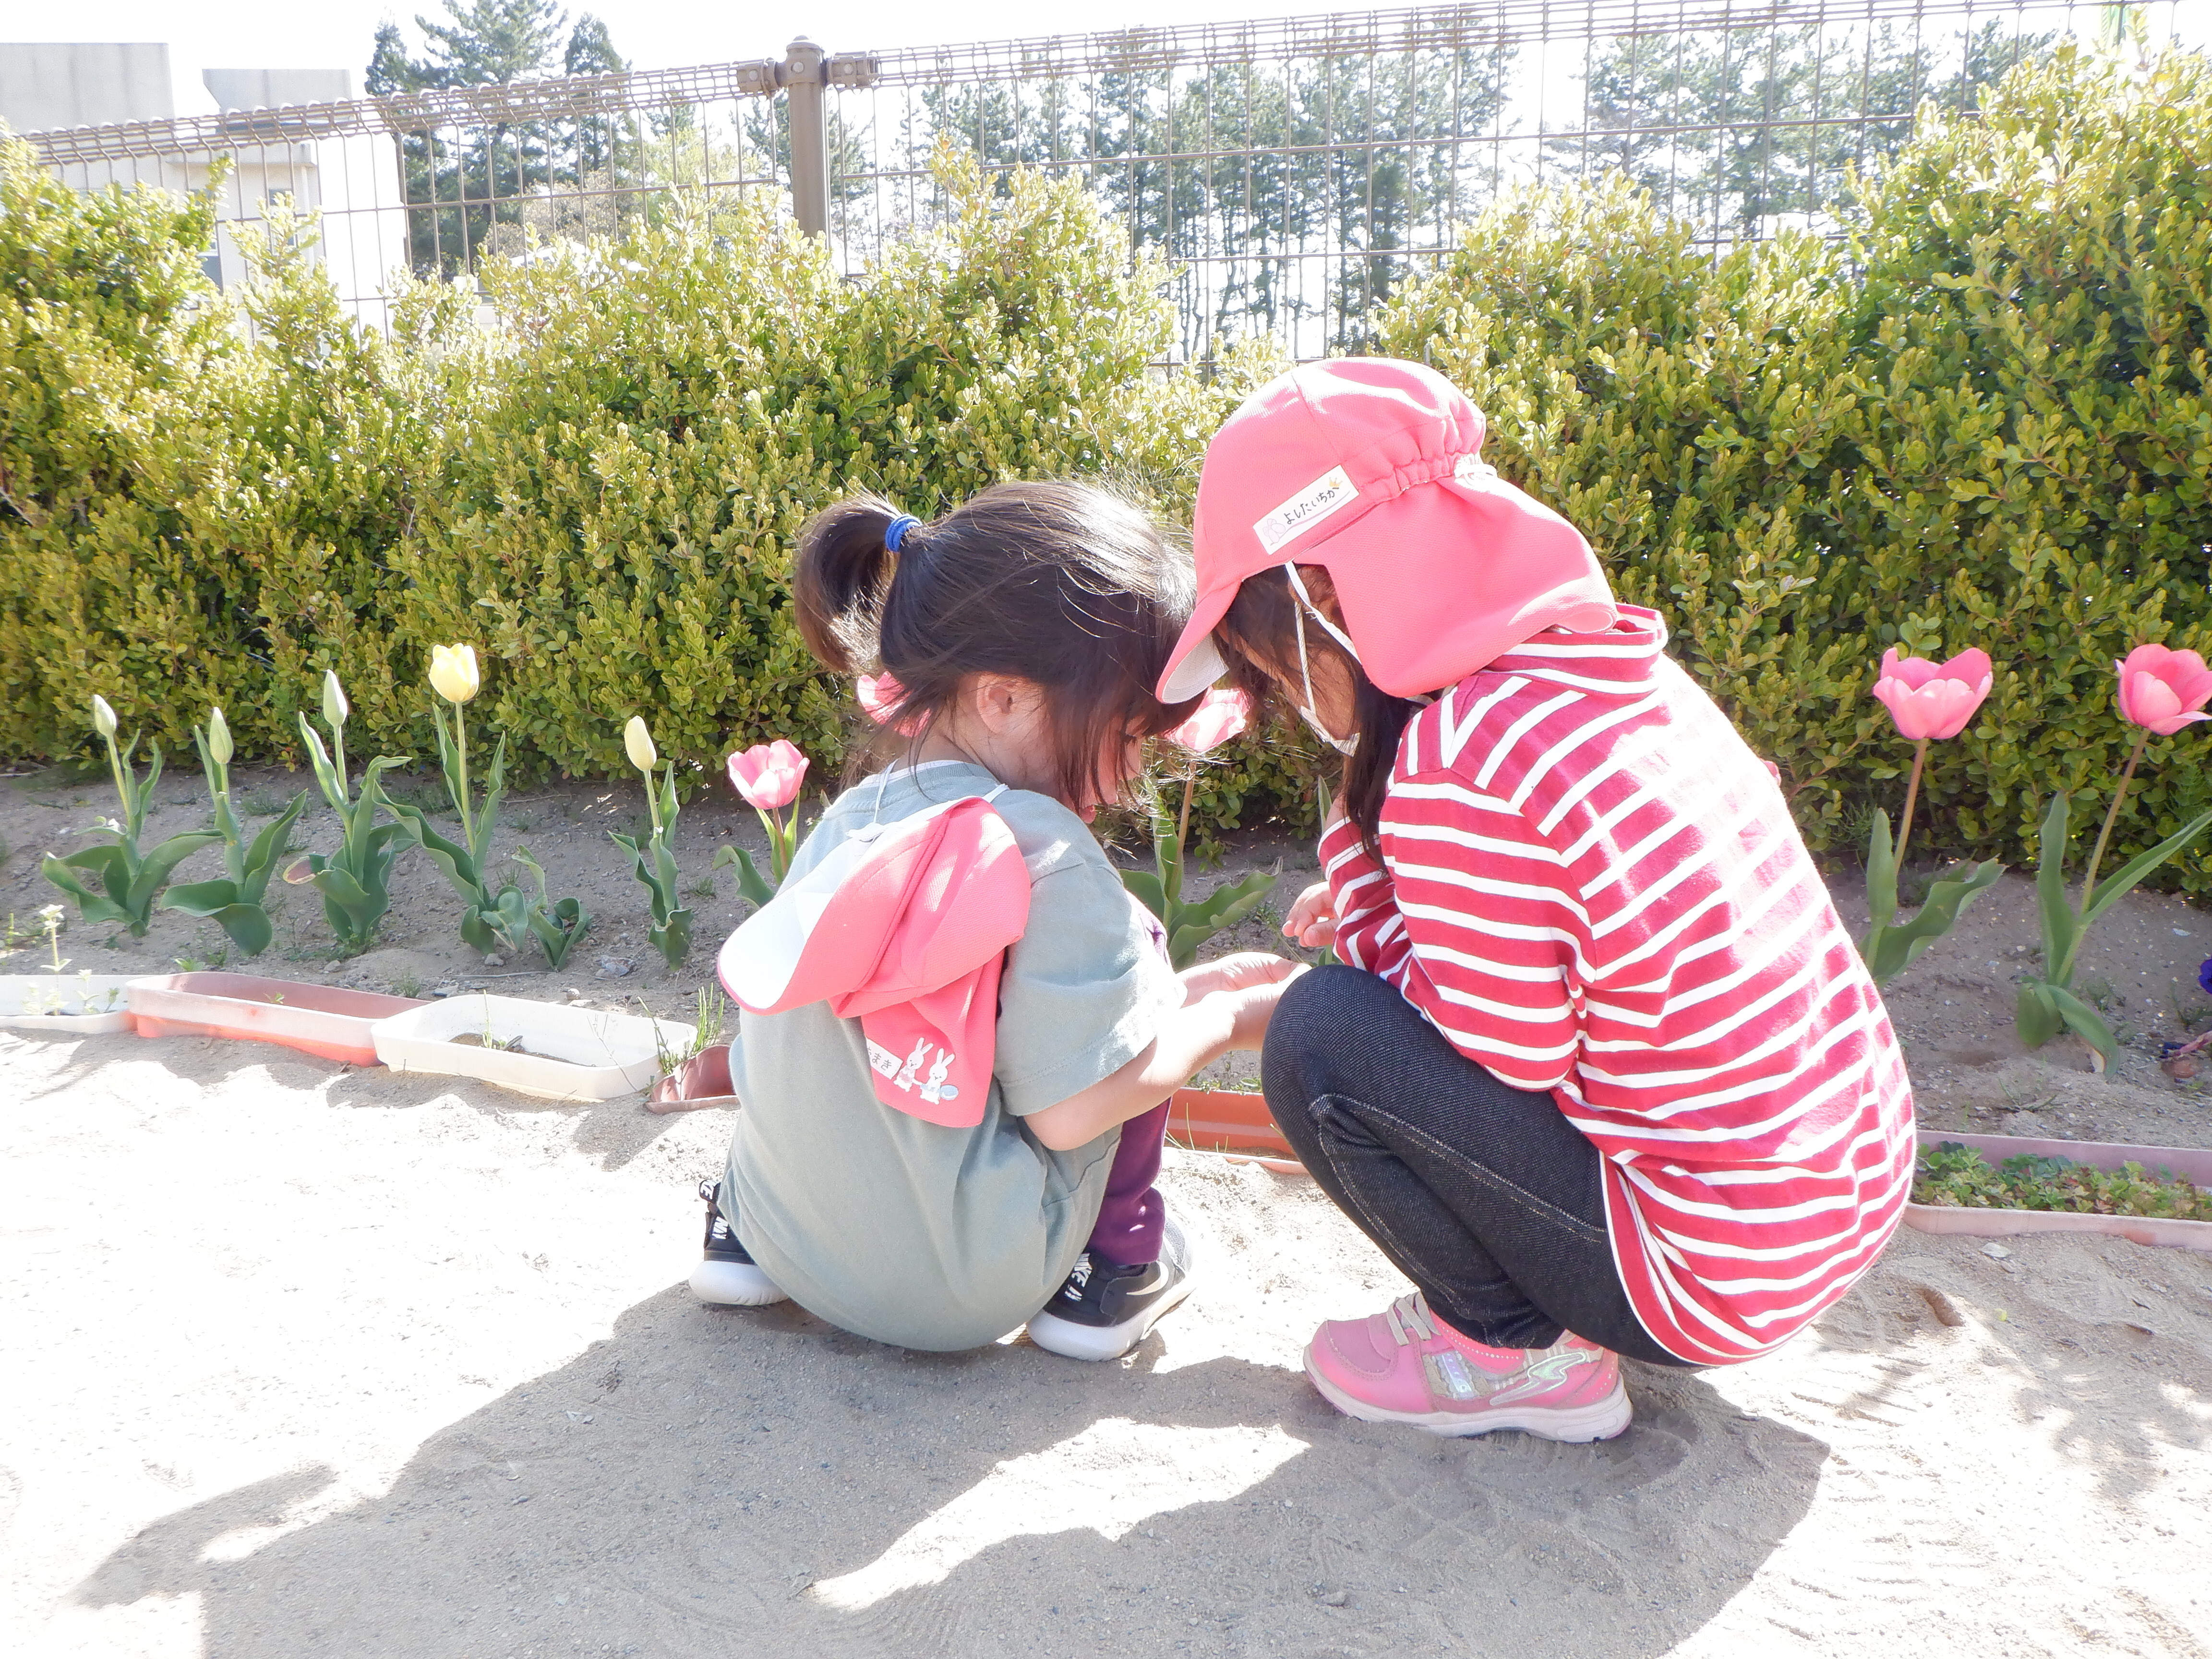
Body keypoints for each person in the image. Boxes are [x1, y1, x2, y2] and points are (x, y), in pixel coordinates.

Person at [1155, 359, 1914, 1441]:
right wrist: (1400, 882)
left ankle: (1516, 1353)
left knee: (1322, 1037)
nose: (1279, 699)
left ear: (1323, 600)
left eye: (1269, 667)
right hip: (1830, 1200)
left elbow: (1502, 1055)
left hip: (1709, 1275)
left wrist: (1368, 900)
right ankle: (1556, 1322)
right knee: (1358, 1017)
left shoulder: (1456, 758)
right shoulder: (1615, 668)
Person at [690, 481, 1300, 1361]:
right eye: (1128, 736)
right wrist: (1220, 1022)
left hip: (793, 1238)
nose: (1131, 775)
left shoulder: (851, 819)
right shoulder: (1046, 848)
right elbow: (1070, 1112)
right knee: (1141, 946)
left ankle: (736, 1232)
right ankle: (1111, 1272)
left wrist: (1176, 1000)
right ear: (1004, 699)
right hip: (970, 1287)